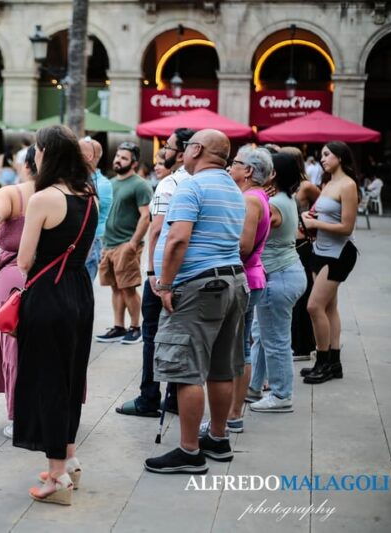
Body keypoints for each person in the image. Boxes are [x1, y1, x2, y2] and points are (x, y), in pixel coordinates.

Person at [144, 129, 247, 475]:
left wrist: (166, 284)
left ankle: (189, 450)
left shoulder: (192, 184)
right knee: (220, 367)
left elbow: (177, 239)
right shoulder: (233, 187)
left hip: (199, 287)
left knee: (186, 369)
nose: (183, 153)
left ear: (197, 149)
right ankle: (217, 437)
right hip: (232, 281)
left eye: (186, 147)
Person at [12, 125, 97, 506]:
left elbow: (25, 260)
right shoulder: (89, 195)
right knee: (71, 373)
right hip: (80, 289)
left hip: (49, 294)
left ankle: (57, 474)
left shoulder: (43, 198)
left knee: (48, 378)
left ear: (46, 152)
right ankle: (68, 456)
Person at [116, 128, 195, 417]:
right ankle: (174, 399)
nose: (164, 151)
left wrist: (152, 272)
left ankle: (149, 398)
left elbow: (158, 228)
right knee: (181, 336)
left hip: (165, 271)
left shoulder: (169, 183)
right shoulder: (209, 181)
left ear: (184, 150)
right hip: (194, 272)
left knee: (151, 334)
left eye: (170, 146)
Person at [0, 146, 37, 439]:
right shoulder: (68, 193)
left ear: (26, 165)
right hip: (56, 277)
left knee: (13, 350)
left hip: (13, 280)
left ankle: (18, 415)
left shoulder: (12, 194)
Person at [248, 152, 307, 412]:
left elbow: (250, 233)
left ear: (273, 174)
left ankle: (282, 395)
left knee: (275, 340)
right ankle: (253, 387)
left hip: (279, 276)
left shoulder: (272, 205)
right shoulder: (285, 198)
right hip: (287, 272)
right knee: (262, 334)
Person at [220, 146, 272, 431]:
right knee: (241, 348)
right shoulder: (256, 197)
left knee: (238, 350)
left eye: (235, 163)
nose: (230, 167)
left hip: (247, 279)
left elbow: (244, 245)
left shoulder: (250, 199)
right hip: (253, 277)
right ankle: (233, 412)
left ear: (249, 171)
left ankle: (233, 414)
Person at [301, 141, 359, 384]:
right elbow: (318, 212)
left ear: (340, 158)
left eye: (327, 154)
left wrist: (315, 224)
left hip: (339, 252)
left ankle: (323, 362)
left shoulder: (347, 185)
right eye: (322, 154)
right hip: (320, 250)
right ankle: (334, 363)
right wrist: (309, 217)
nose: (322, 158)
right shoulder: (327, 183)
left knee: (314, 306)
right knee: (328, 307)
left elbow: (347, 227)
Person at [95, 141, 153, 345]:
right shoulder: (111, 183)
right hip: (109, 244)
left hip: (126, 244)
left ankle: (136, 328)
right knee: (115, 287)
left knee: (128, 288)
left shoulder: (140, 185)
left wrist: (133, 243)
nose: (118, 160)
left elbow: (146, 216)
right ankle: (118, 327)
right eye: (118, 156)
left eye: (124, 158)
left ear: (134, 163)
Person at [281, 146, 320, 362]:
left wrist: (311, 221)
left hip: (302, 244)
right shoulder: (284, 185)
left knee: (303, 295)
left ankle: (303, 344)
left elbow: (327, 205)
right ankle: (296, 341)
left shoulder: (306, 186)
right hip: (287, 244)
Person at [81, 138, 112, 281]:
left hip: (91, 241)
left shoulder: (102, 184)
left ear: (89, 157)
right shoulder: (81, 180)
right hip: (85, 240)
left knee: (82, 290)